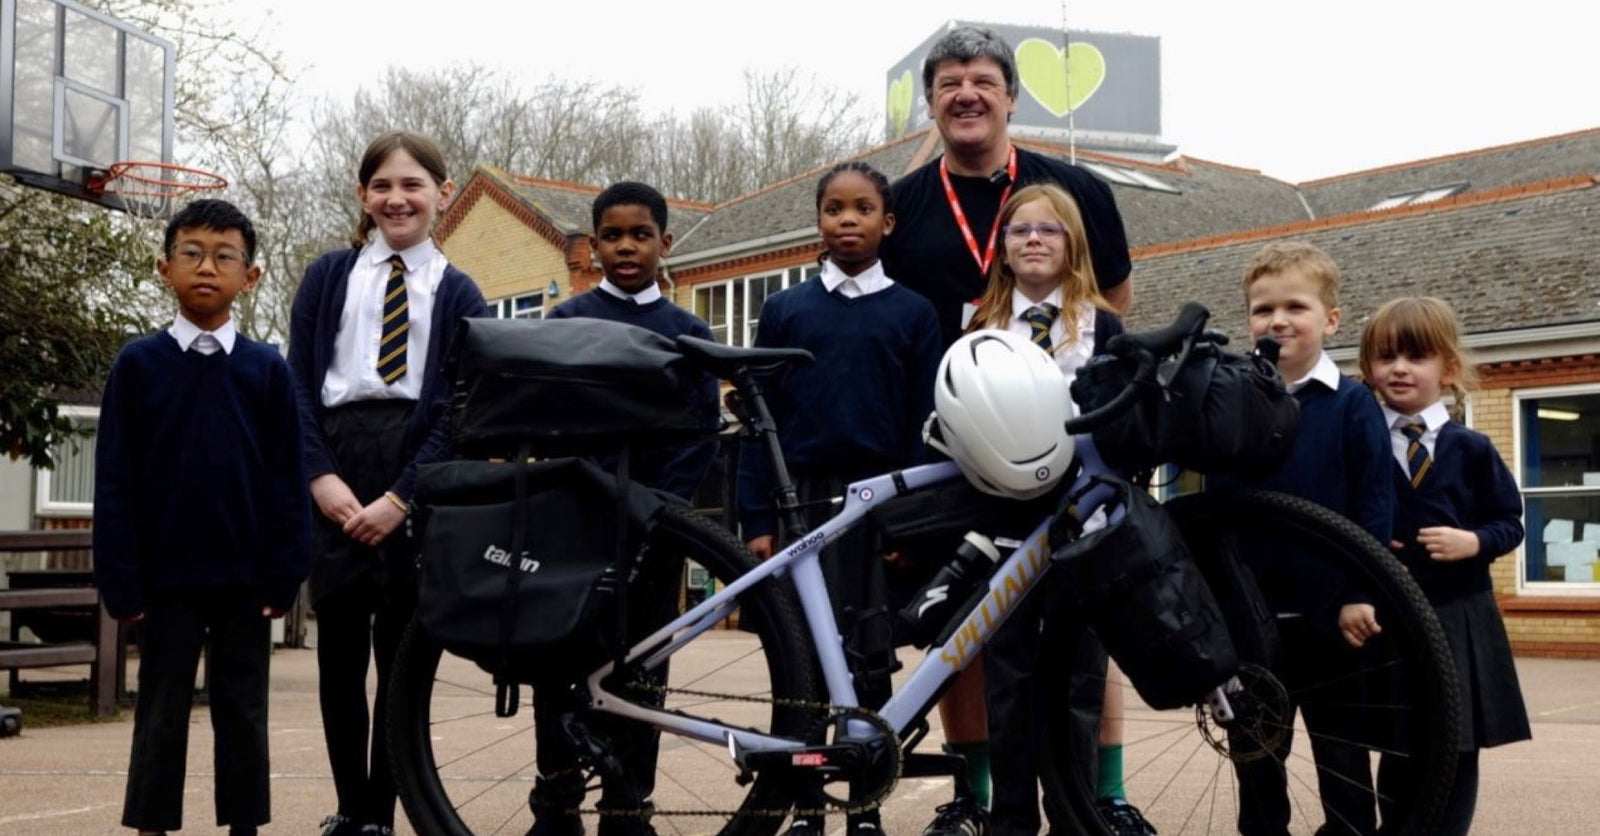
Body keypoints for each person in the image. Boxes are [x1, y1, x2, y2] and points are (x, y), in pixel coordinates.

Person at [879, 24, 1136, 836]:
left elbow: (1115, 301)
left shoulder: (1076, 190)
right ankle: (973, 793)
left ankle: (1106, 791)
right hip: (953, 446)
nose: (967, 93)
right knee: (969, 627)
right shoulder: (903, 202)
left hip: (1065, 451)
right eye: (950, 80)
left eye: (983, 79)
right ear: (930, 102)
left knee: (1087, 623)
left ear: (1012, 97)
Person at [289, 130, 488, 836]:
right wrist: (318, 476)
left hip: (415, 469)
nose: (397, 198)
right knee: (339, 659)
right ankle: (351, 809)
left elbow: (459, 410)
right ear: (363, 196)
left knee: (400, 660)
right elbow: (298, 390)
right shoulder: (328, 277)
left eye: (413, 185)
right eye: (382, 186)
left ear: (445, 193)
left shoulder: (461, 292)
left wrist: (403, 496)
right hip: (338, 465)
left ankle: (385, 813)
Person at [92, 198, 313, 836]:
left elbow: (286, 480)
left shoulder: (266, 370)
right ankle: (151, 826)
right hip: (164, 582)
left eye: (224, 256)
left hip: (246, 580)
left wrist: (285, 573)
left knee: (243, 711)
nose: (207, 267)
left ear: (252, 275)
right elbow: (115, 479)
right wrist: (121, 578)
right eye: (191, 253)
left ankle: (244, 825)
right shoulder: (138, 366)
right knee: (160, 711)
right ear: (165, 267)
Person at [738, 160, 944, 836]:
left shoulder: (914, 313)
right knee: (803, 664)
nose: (848, 220)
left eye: (862, 209)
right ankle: (804, 809)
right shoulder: (786, 309)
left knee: (865, 660)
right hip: (800, 502)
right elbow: (755, 415)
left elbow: (924, 426)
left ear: (888, 222)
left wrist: (906, 524)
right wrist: (759, 518)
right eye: (834, 209)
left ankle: (862, 807)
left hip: (876, 503)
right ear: (819, 222)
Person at [530, 180, 720, 836]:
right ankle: (555, 806)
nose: (627, 246)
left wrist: (659, 507)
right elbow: (543, 418)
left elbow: (701, 429)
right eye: (612, 235)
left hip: (655, 532)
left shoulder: (688, 331)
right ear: (593, 245)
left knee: (643, 677)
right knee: (559, 668)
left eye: (641, 234)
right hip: (573, 526)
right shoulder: (564, 323)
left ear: (665, 243)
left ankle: (627, 807)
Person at [1220, 241, 1395, 836]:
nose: (1277, 321)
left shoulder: (1352, 405)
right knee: (1256, 759)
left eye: (1296, 306)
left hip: (1331, 617)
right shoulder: (1233, 403)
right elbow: (1216, 507)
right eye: (1262, 309)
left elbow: (1374, 505)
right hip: (1250, 616)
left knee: (1343, 759)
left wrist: (1360, 592)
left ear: (1331, 320)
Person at [1358, 297, 1530, 836]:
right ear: (1369, 370)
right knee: (1400, 741)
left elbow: (1510, 520)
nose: (1400, 368)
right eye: (1386, 358)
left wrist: (1472, 542)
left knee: (1457, 744)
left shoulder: (1472, 448)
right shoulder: (1362, 443)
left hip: (1460, 615)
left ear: (1448, 370)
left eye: (1417, 356)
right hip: (1393, 621)